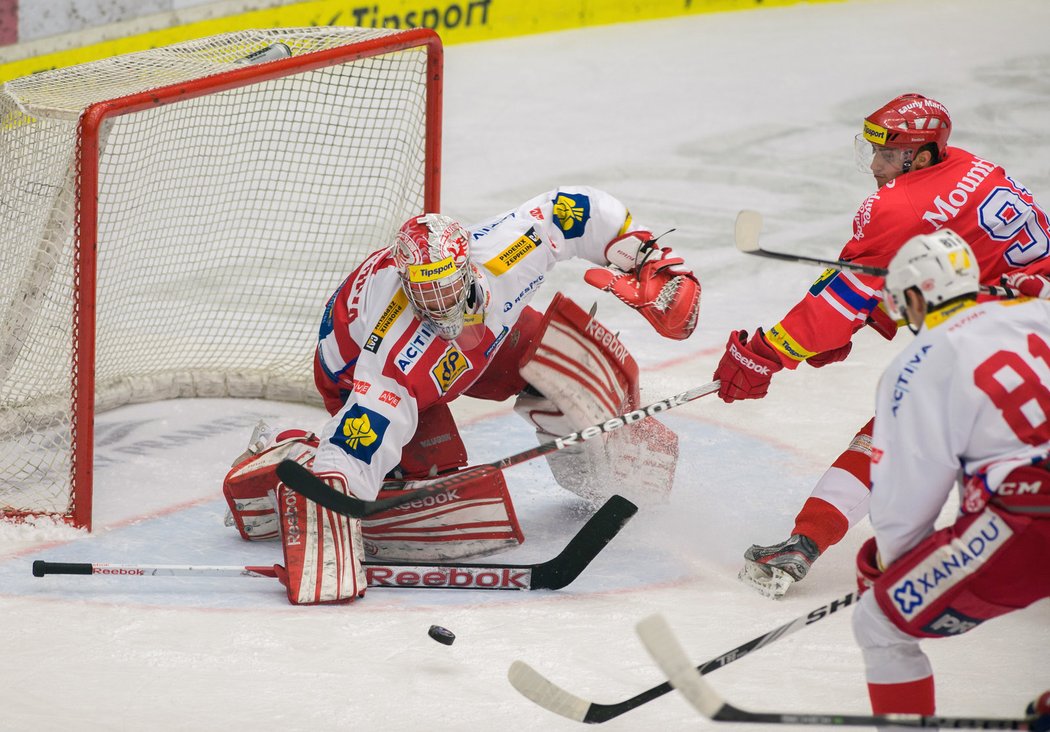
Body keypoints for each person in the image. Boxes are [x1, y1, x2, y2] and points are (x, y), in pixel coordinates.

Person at [221, 186, 701, 604]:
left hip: (480, 347)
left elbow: (573, 208)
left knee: (576, 356)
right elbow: (367, 423)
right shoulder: (394, 353)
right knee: (445, 492)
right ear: (409, 288)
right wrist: (332, 486)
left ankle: (599, 471)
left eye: (449, 287)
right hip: (351, 378)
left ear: (467, 263)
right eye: (426, 294)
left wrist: (647, 259)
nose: (441, 305)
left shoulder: (503, 253)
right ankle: (284, 461)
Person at [713, 92, 1050, 597]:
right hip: (1031, 316)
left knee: (899, 424)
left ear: (921, 154)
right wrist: (874, 319)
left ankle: (803, 543)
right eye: (872, 150)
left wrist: (763, 353)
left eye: (887, 153)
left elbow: (834, 307)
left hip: (1003, 337)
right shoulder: (976, 167)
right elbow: (947, 266)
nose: (875, 164)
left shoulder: (897, 205)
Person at [850, 229, 1050, 717]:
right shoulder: (1037, 310)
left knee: (879, 624)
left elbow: (904, 503)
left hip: (1031, 516)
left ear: (918, 296)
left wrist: (890, 568)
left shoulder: (920, 361)